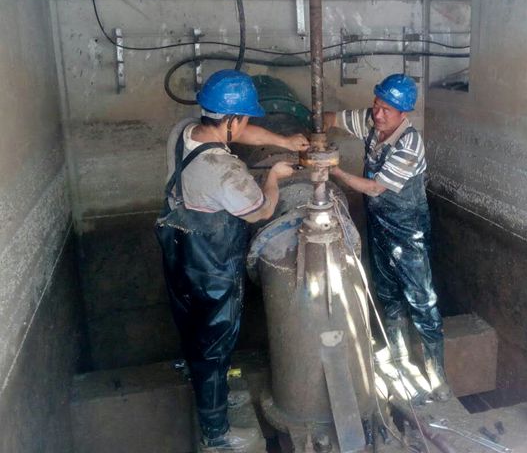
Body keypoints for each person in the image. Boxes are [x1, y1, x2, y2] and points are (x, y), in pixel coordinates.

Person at [155, 69, 309, 452]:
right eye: (244, 119)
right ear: (232, 119)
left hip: (178, 248)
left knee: (192, 326)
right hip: (212, 263)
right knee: (217, 340)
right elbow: (261, 210)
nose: (244, 126)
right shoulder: (225, 171)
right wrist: (274, 176)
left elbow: (240, 134)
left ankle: (206, 385)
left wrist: (284, 141)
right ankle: (217, 434)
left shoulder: (184, 130)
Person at [322, 73, 452, 403]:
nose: (378, 115)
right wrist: (319, 134)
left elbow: (375, 187)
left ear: (403, 113)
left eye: (386, 110)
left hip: (408, 232)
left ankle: (437, 376)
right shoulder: (371, 120)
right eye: (376, 105)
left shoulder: (410, 144)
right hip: (379, 225)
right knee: (387, 293)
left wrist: (334, 170)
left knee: (422, 300)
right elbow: (332, 118)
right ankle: (398, 357)